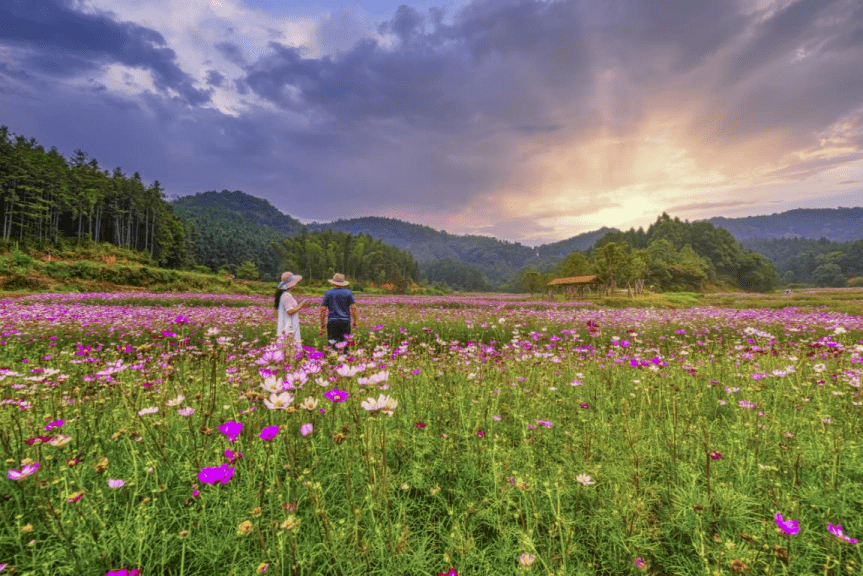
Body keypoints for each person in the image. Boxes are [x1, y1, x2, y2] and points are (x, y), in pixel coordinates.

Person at [319, 273, 358, 347]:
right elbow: (354, 308)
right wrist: (355, 321)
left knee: (332, 342)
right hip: (345, 321)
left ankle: (332, 356)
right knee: (345, 343)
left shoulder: (328, 293)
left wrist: (322, 322)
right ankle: (345, 356)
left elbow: (323, 309)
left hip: (332, 321)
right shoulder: (348, 293)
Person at [275, 271, 307, 348]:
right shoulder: (287, 295)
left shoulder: (284, 295)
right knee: (290, 346)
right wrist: (301, 306)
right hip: (289, 325)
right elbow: (290, 311)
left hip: (287, 324)